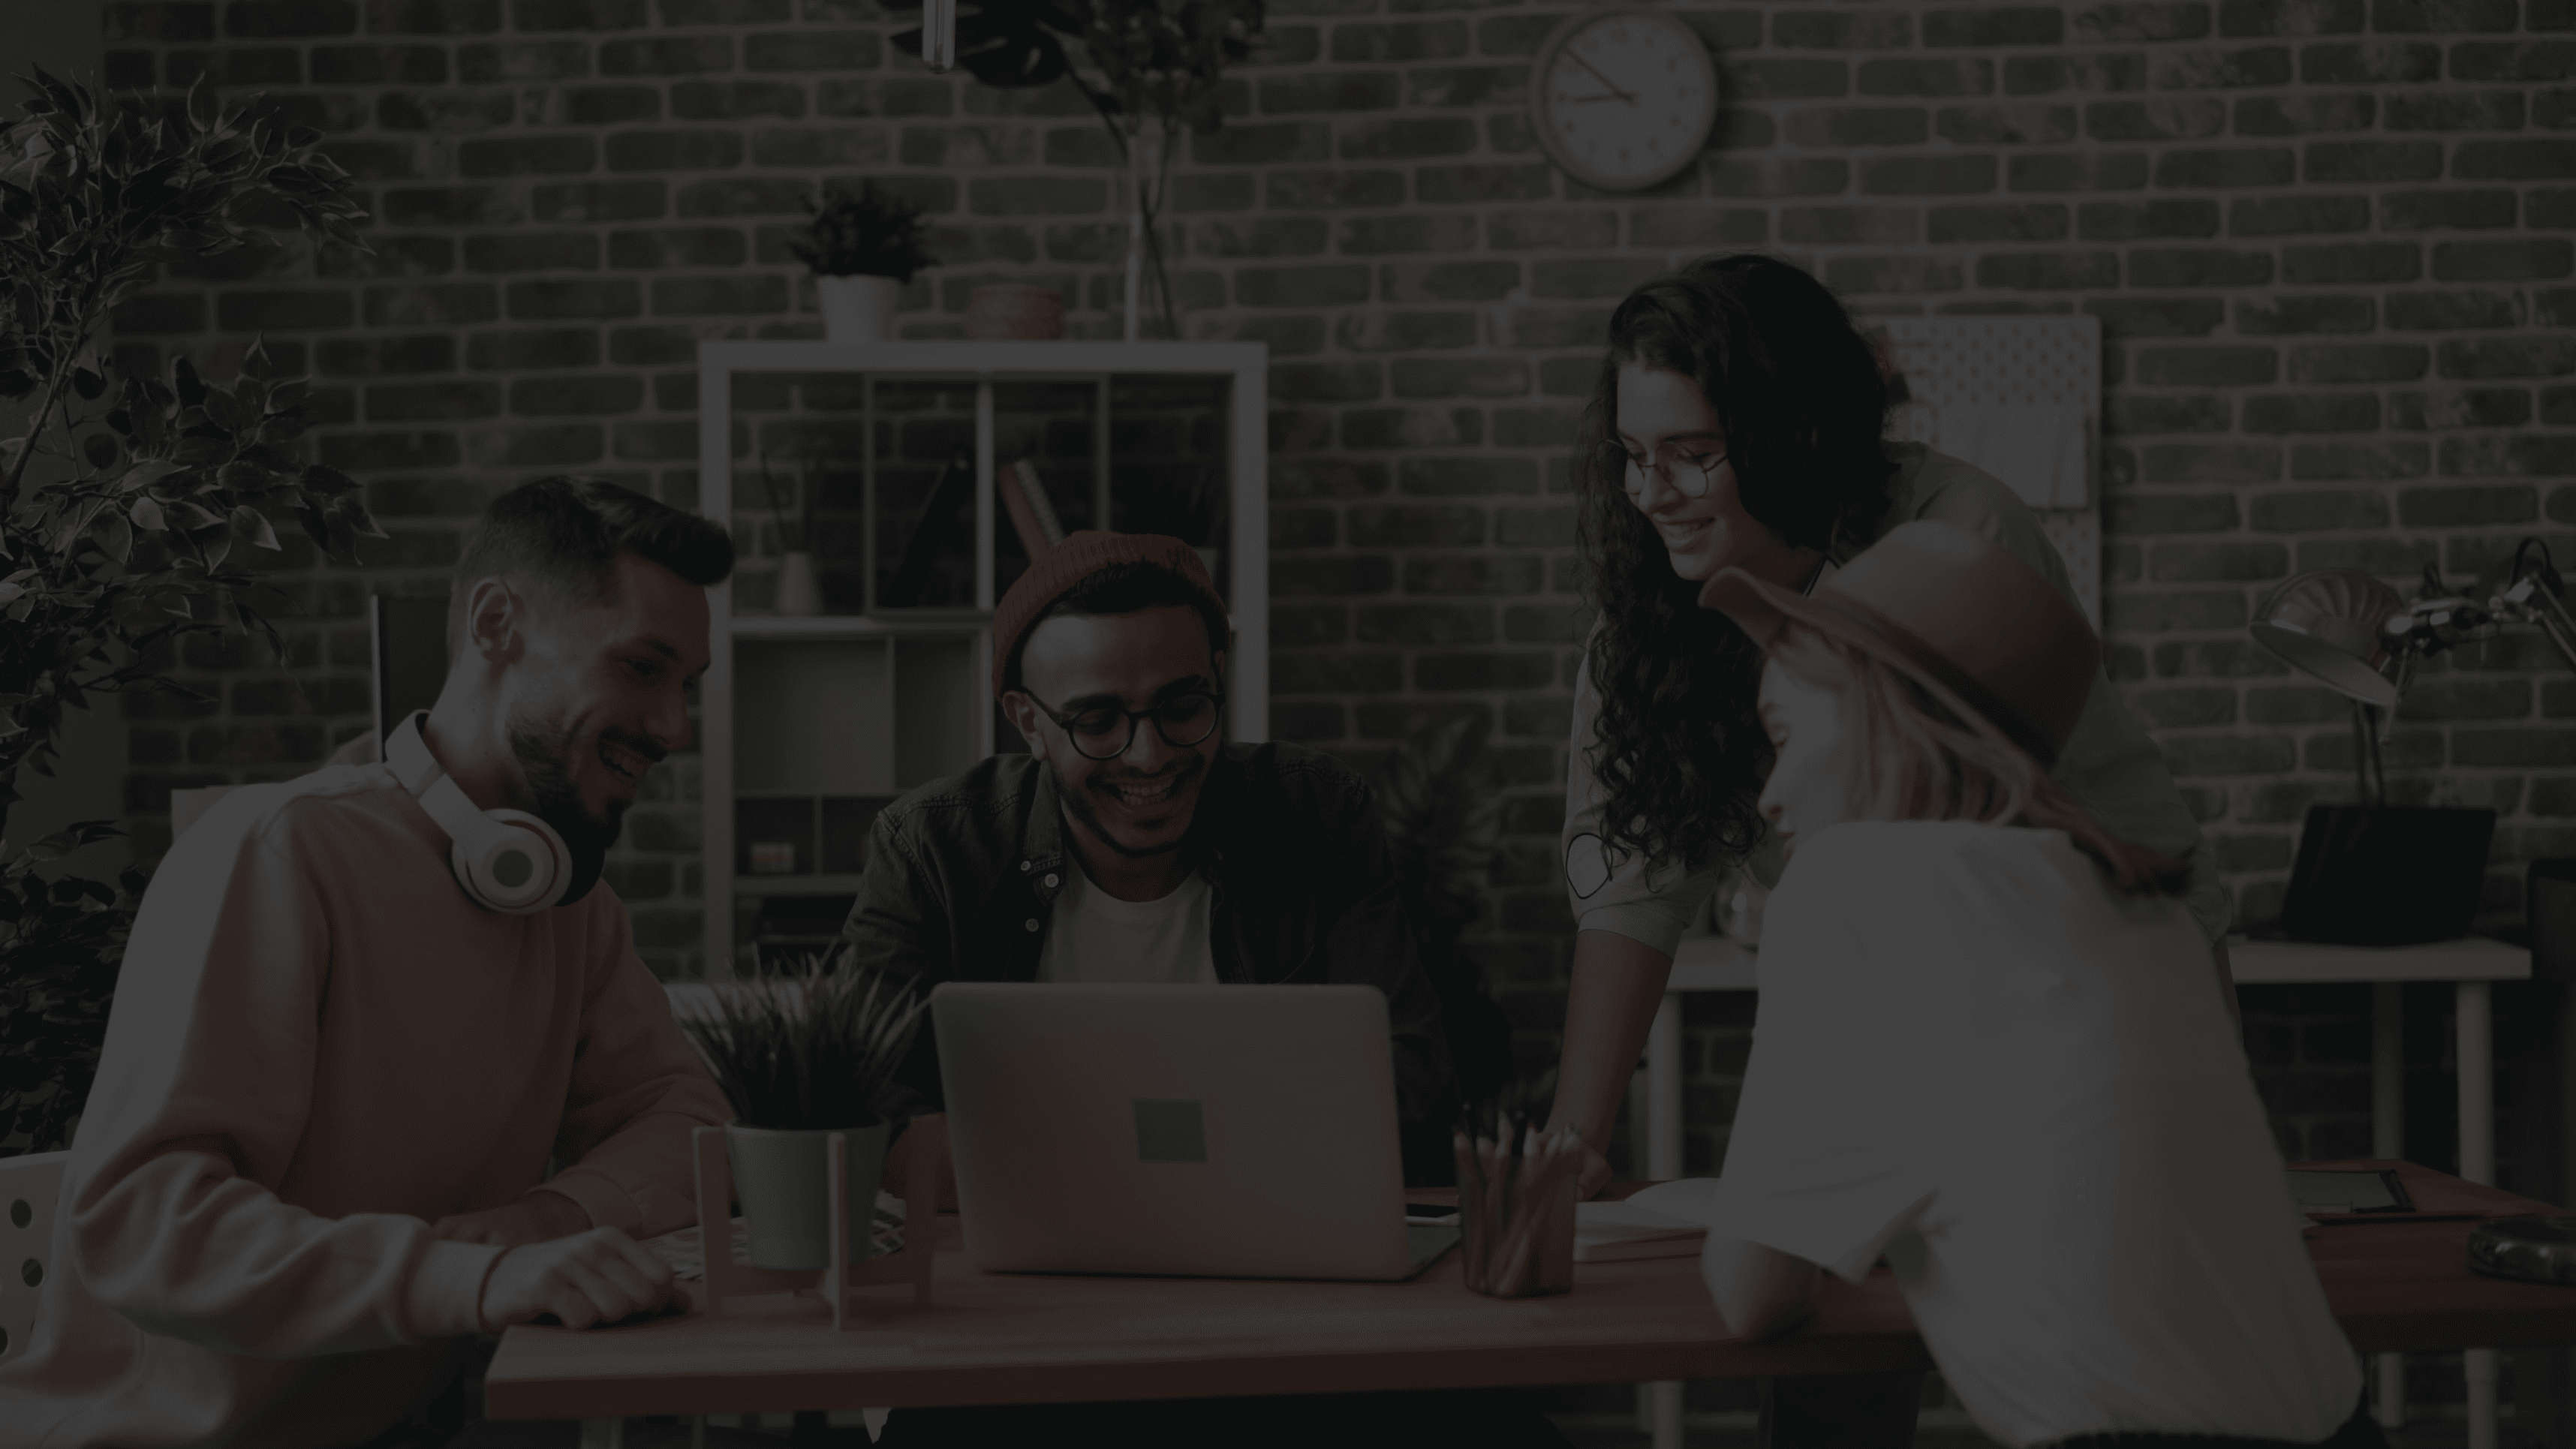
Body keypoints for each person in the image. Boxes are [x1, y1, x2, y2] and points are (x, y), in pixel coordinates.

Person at [1542, 254, 2237, 1447]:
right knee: (1835, 1373)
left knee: (2125, 1353)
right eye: (1632, 455)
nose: (1650, 492)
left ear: (1793, 433)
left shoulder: (1954, 543)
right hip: (1904, 977)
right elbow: (1634, 874)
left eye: (1692, 452)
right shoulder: (1654, 605)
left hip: (2088, 973)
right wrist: (1577, 1143)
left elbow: (1951, 851)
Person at [0, 478, 736, 1449]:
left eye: (688, 685)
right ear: (496, 622)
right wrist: (461, 1273)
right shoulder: (273, 853)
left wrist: (545, 1215)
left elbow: (687, 1117)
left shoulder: (571, 903)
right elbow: (141, 1224)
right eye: (644, 667)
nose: (675, 725)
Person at [846, 531, 1563, 1449]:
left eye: (1184, 704)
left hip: (1298, 1320)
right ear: (1028, 722)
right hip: (1023, 1327)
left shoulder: (1315, 810)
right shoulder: (933, 848)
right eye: (1097, 720)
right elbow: (875, 1116)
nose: (1149, 754)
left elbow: (1414, 1079)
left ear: (1218, 680)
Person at [1681, 519, 2382, 1449]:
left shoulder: (1847, 884)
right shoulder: (2145, 909)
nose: (1769, 796)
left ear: (1889, 706)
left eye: (1785, 733)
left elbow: (1753, 1294)